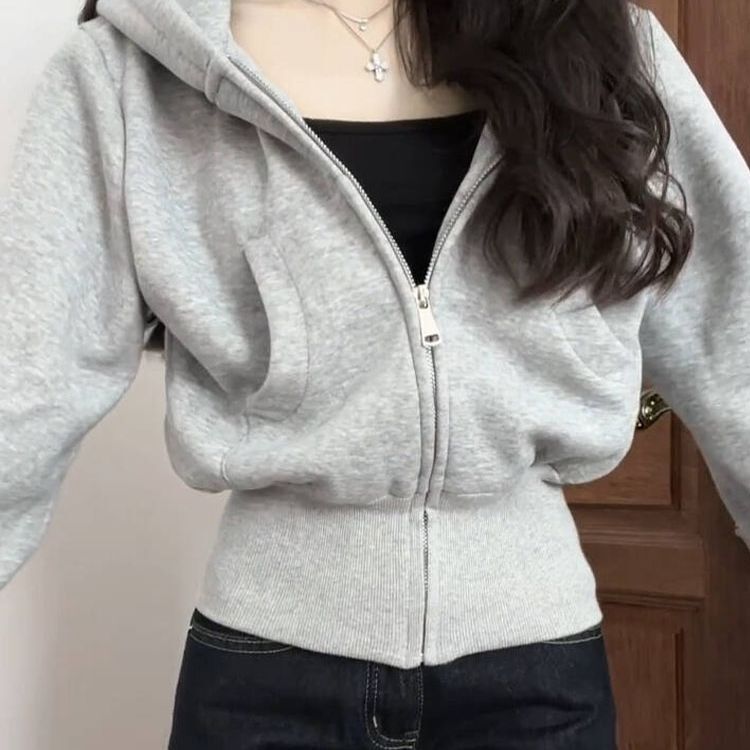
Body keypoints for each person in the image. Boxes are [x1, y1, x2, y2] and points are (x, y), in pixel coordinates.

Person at [1, 0, 748, 747]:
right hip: (266, 676)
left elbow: (732, 330)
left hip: (538, 681)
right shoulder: (129, 73)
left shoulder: (604, 47)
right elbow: (22, 386)